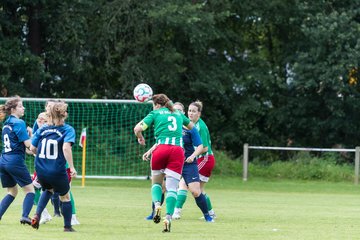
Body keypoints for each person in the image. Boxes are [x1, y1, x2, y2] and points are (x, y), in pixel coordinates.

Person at [144, 102, 213, 222]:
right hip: (172, 161)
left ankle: (208, 216)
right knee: (162, 187)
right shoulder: (170, 126)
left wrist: (192, 156)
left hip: (187, 163)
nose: (176, 112)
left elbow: (201, 146)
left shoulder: (191, 128)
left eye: (180, 110)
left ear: (183, 113)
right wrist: (149, 151)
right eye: (174, 110)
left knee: (196, 191)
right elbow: (161, 141)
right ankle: (154, 212)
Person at [134, 94, 193, 233]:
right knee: (172, 187)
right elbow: (191, 127)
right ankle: (168, 217)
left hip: (160, 149)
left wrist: (140, 138)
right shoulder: (178, 113)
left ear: (157, 105)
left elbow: (137, 129)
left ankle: (157, 204)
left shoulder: (155, 113)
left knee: (156, 184)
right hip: (177, 152)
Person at [30, 101, 77, 232]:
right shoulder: (67, 129)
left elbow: (33, 148)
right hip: (56, 169)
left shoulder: (42, 129)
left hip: (41, 169)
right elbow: (66, 147)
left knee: (47, 190)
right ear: (64, 114)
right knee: (65, 196)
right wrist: (72, 167)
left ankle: (37, 214)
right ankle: (67, 227)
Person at [173, 100, 216, 219]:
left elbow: (205, 147)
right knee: (199, 189)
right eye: (189, 111)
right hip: (200, 159)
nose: (190, 113)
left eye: (194, 111)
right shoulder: (188, 124)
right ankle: (211, 213)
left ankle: (176, 212)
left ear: (199, 114)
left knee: (184, 183)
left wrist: (191, 153)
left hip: (205, 159)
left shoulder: (200, 126)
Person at [0, 96, 35, 225]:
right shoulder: (19, 123)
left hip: (3, 160)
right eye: (20, 106)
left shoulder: (7, 123)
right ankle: (25, 216)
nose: (23, 108)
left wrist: (30, 150)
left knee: (12, 191)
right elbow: (28, 145)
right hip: (14, 161)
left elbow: (24, 149)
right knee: (30, 190)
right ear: (14, 109)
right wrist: (32, 135)